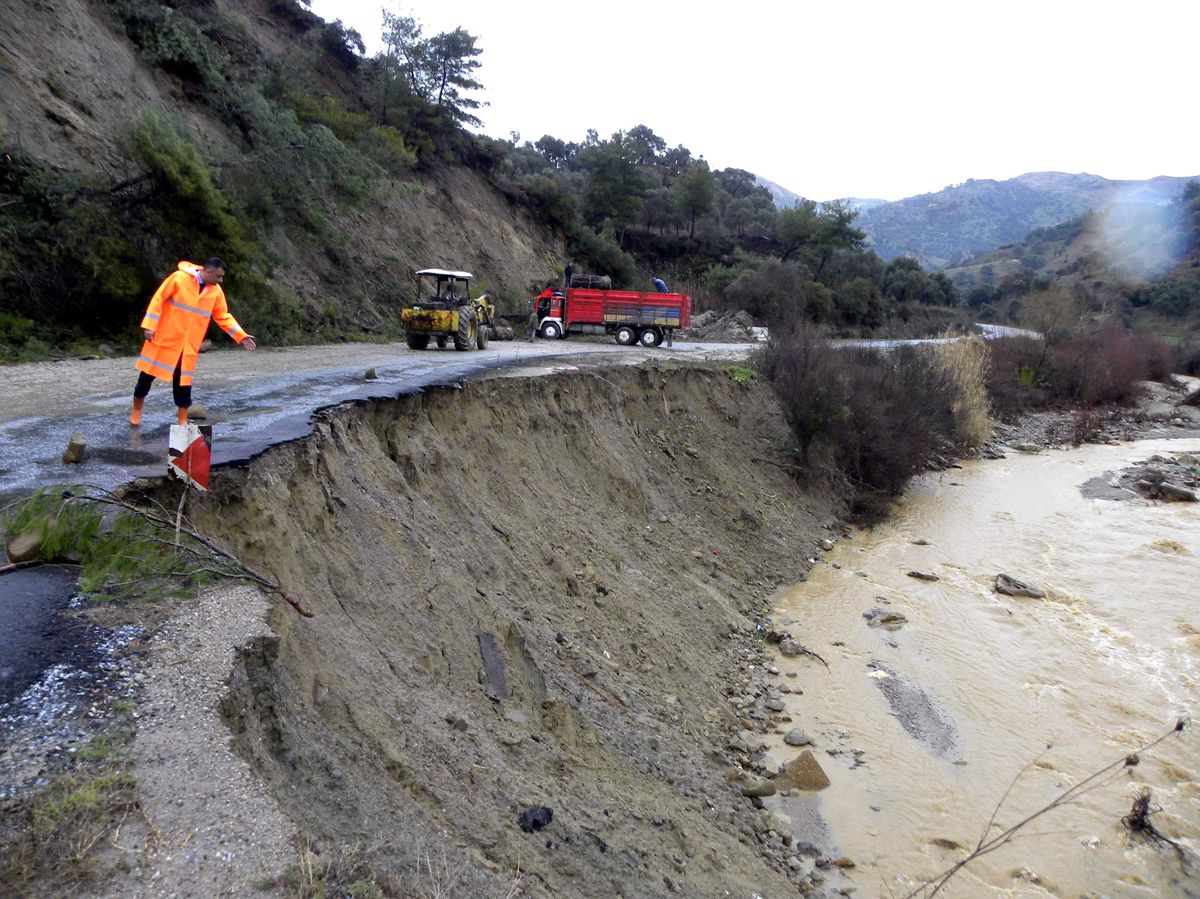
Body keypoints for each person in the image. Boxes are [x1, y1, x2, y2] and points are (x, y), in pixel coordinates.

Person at [129, 258, 256, 427]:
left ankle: (182, 419)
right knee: (146, 377)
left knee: (183, 383)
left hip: (188, 345)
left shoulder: (215, 292)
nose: (221, 280)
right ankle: (137, 411)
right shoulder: (179, 278)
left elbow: (223, 316)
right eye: (219, 276)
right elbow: (158, 299)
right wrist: (149, 326)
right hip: (164, 339)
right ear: (208, 271)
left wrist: (241, 336)